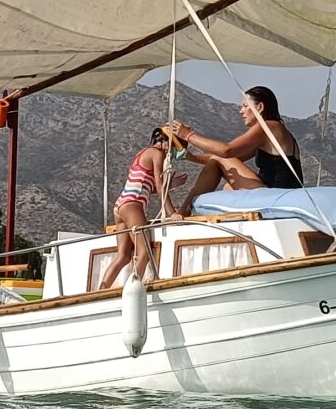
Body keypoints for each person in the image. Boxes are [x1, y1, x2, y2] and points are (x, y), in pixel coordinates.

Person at [167, 85, 301, 215]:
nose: (241, 111)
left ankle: (183, 212)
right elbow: (227, 158)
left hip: (276, 193)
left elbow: (226, 151)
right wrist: (190, 156)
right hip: (278, 191)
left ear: (259, 107)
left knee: (222, 169)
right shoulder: (273, 131)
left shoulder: (268, 127)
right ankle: (187, 211)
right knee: (228, 187)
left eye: (245, 106)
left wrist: (188, 135)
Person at [99, 126, 181, 289]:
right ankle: (132, 292)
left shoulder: (143, 153)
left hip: (121, 205)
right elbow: (159, 185)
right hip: (133, 205)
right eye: (171, 148)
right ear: (165, 143)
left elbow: (146, 185)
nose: (170, 153)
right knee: (144, 253)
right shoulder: (156, 154)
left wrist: (170, 184)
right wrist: (172, 213)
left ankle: (101, 291)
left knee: (123, 257)